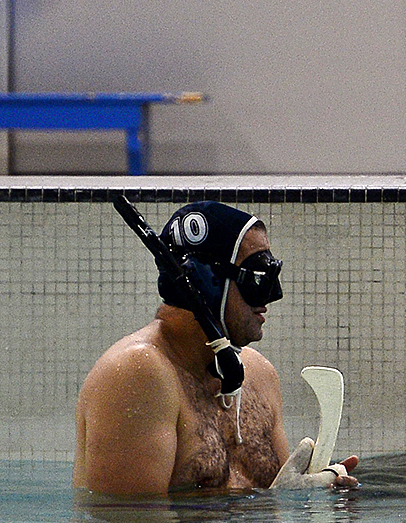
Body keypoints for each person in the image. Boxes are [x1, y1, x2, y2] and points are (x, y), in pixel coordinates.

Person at [76, 201, 357, 496]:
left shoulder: (258, 374)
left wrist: (311, 502)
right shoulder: (137, 374)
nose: (272, 296)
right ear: (205, 281)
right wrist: (270, 508)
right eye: (257, 278)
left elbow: (268, 521)